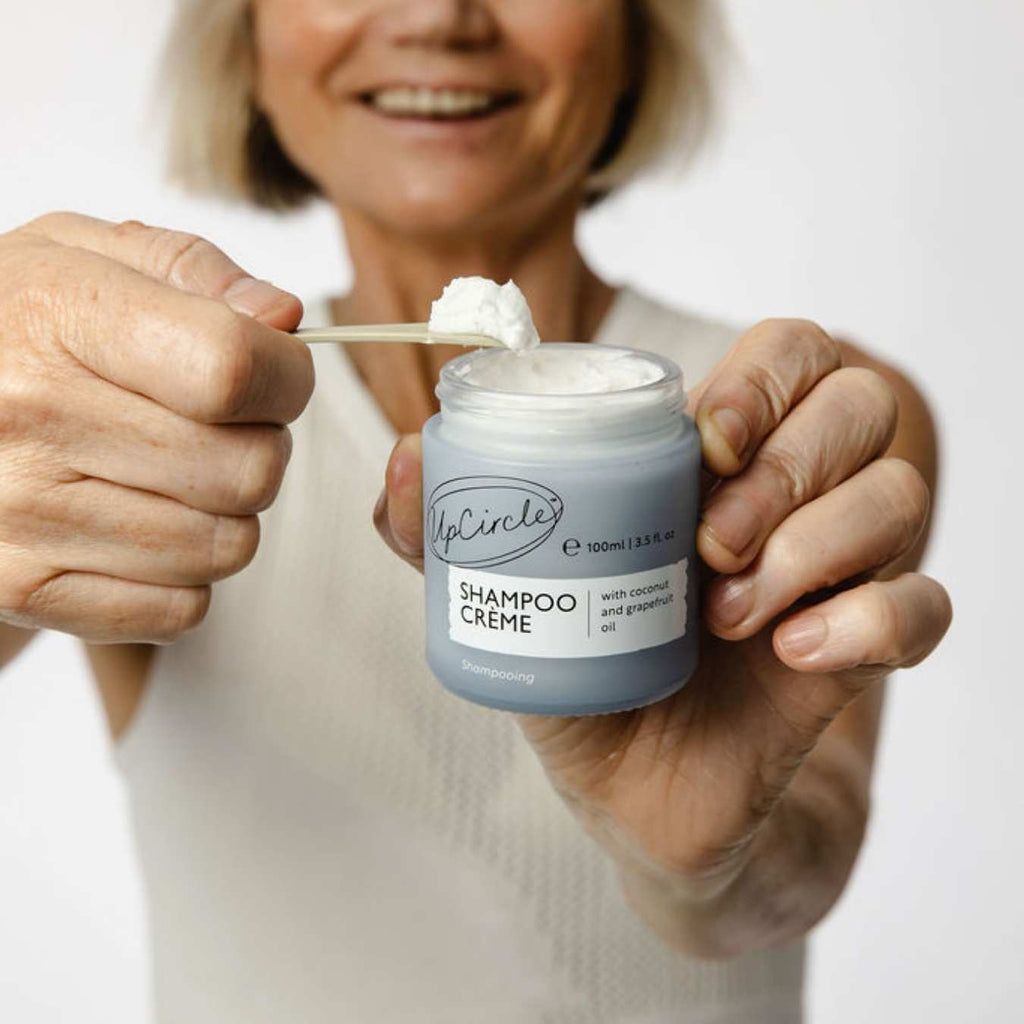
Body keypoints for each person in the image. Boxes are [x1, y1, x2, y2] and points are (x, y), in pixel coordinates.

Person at [0, 1, 952, 1021]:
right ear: (248, 46)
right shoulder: (131, 430)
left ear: (635, 35)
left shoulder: (799, 434)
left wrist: (708, 860)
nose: (439, 16)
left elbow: (797, 879)